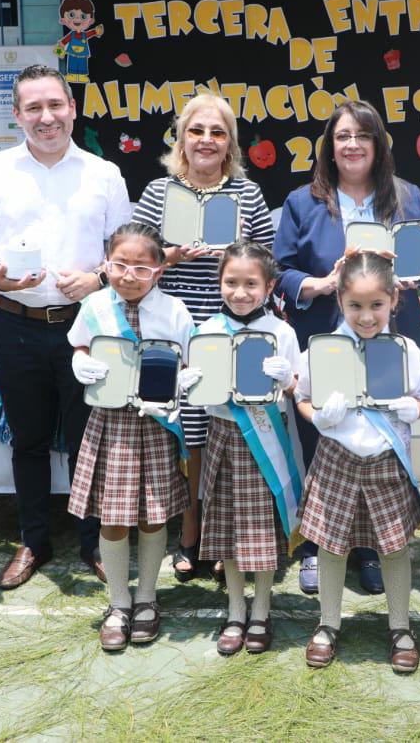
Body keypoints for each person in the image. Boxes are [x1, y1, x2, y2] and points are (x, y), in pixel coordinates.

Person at [0, 64, 132, 590]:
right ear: (17, 115)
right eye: (33, 107)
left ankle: (93, 540)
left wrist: (98, 277)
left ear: (72, 109)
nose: (46, 117)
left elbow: (123, 250)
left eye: (55, 105)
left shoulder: (103, 174)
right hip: (15, 324)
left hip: (87, 328)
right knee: (29, 440)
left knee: (90, 439)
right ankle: (33, 539)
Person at [274, 99, 420, 596]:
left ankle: (370, 548)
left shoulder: (408, 197)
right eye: (343, 136)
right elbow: (280, 270)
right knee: (322, 439)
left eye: (362, 135)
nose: (352, 145)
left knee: (380, 441)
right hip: (325, 337)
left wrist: (416, 273)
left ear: (378, 144)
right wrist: (323, 283)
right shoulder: (303, 201)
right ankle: (314, 545)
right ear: (330, 146)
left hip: (388, 335)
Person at [131, 92, 275, 583]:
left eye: (218, 132)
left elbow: (266, 263)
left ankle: (222, 537)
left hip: (229, 327)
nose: (206, 140)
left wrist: (236, 258)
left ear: (230, 142)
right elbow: (136, 265)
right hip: (171, 328)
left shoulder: (247, 194)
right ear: (181, 138)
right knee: (188, 436)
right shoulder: (158, 191)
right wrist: (167, 257)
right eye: (196, 130)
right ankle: (190, 533)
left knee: (225, 432)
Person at [294, 251, 420, 673]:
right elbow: (302, 397)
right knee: (331, 546)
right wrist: (318, 417)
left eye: (376, 305)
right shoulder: (322, 350)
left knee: (394, 547)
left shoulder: (407, 351)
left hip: (386, 459)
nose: (366, 316)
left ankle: (401, 627)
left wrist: (414, 408)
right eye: (355, 305)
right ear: (339, 300)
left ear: (393, 300)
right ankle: (328, 624)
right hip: (336, 457)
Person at [66, 222, 195, 651]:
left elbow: (189, 361)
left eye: (142, 267)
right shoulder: (95, 305)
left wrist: (182, 386)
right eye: (120, 265)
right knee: (113, 517)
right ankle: (118, 602)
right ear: (106, 264)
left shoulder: (174, 310)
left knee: (153, 515)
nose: (129, 275)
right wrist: (79, 362)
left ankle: (147, 598)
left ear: (160, 269)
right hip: (111, 424)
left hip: (156, 423)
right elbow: (79, 346)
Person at [179, 242, 302, 656]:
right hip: (223, 435)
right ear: (219, 283)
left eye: (251, 283)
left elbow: (297, 389)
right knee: (228, 526)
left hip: (266, 437)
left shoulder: (282, 332)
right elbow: (199, 390)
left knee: (262, 529)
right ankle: (235, 610)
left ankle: (261, 610)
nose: (240, 292)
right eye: (231, 282)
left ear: (268, 287)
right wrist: (186, 383)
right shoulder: (206, 331)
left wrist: (288, 380)